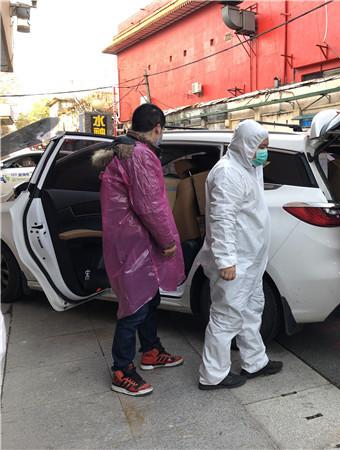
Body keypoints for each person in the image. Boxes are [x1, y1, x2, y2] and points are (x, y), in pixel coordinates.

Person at [92, 103, 185, 397]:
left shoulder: (122, 148)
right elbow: (150, 206)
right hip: (136, 241)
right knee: (134, 305)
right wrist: (167, 241)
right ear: (157, 128)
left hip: (128, 238)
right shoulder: (141, 155)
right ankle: (122, 369)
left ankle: (151, 350)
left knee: (149, 297)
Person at [198, 120, 282, 390]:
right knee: (226, 315)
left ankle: (254, 361)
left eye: (266, 146)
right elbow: (221, 219)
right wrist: (226, 261)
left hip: (250, 259)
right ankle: (213, 375)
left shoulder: (248, 167)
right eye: (261, 146)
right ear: (245, 145)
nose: (264, 152)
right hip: (236, 262)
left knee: (251, 309)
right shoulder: (227, 173)